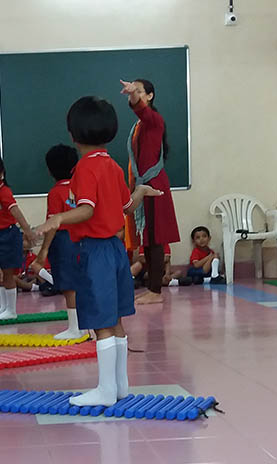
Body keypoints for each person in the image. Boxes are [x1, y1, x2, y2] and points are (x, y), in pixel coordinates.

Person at [35, 96, 162, 406]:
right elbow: (126, 208)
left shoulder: (84, 168)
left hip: (94, 252)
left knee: (101, 322)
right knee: (114, 319)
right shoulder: (113, 165)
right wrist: (141, 191)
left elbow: (87, 210)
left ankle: (106, 391)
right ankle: (120, 386)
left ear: (73, 134)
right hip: (116, 251)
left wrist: (58, 218)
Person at [121, 78, 180, 305]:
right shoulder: (140, 125)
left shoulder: (153, 119)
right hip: (143, 185)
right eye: (133, 90)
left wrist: (132, 95)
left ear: (150, 96)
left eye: (139, 91)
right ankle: (152, 288)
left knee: (155, 238)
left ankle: (155, 291)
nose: (134, 94)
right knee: (147, 238)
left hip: (153, 185)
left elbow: (140, 109)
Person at [32, 144, 88, 339]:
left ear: (50, 170)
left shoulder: (55, 193)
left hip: (64, 242)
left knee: (68, 286)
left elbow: (52, 225)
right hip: (83, 239)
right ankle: (82, 325)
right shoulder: (81, 188)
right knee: (80, 284)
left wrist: (43, 251)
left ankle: (75, 328)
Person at [0, 152, 35, 320]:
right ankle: (4, 307)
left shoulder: (3, 191)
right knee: (1, 274)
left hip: (8, 235)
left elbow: (15, 211)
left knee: (8, 274)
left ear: (2, 173)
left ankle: (11, 310)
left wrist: (27, 229)